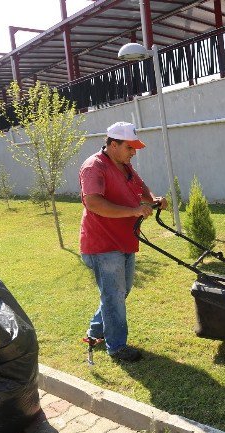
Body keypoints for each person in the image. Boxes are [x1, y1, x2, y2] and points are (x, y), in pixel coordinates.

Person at [79, 121, 168, 362]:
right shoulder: (94, 167)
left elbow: (141, 188)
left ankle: (95, 332)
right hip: (102, 245)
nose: (133, 152)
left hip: (124, 240)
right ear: (113, 144)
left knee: (119, 292)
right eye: (130, 147)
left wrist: (153, 199)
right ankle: (116, 347)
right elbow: (94, 203)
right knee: (114, 295)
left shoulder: (125, 166)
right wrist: (133, 212)